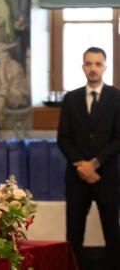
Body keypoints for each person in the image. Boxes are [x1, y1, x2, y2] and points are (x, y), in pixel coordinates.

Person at [57, 47, 120, 270]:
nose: (93, 68)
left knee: (112, 233)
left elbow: (118, 139)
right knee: (74, 234)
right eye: (89, 63)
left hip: (107, 176)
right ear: (83, 67)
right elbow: (63, 138)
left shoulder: (116, 98)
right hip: (77, 177)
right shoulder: (70, 98)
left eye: (97, 64)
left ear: (105, 67)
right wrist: (82, 166)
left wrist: (93, 164)